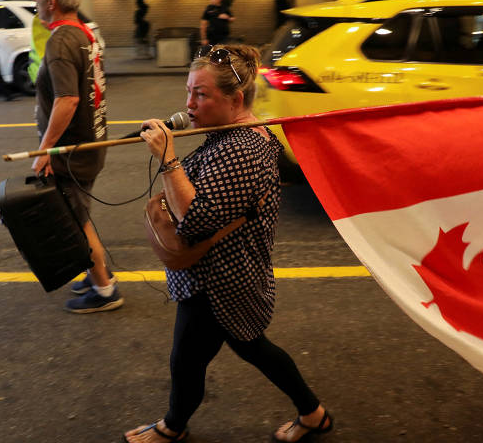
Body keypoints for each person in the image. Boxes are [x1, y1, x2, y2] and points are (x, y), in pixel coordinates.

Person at [125, 44, 332, 443]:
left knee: (187, 359)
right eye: (189, 92)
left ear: (235, 99)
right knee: (251, 347)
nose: (189, 103)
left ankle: (172, 428)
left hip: (222, 279)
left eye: (201, 94)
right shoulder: (230, 133)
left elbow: (196, 219)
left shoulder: (244, 148)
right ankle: (314, 413)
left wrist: (169, 160)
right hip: (227, 273)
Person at [31, 0, 121, 313]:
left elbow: (67, 99)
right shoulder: (83, 32)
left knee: (74, 220)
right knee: (77, 213)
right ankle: (94, 270)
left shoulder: (61, 41)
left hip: (71, 151)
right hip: (89, 141)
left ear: (51, 2)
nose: (34, 0)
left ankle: (105, 290)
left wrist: (44, 151)